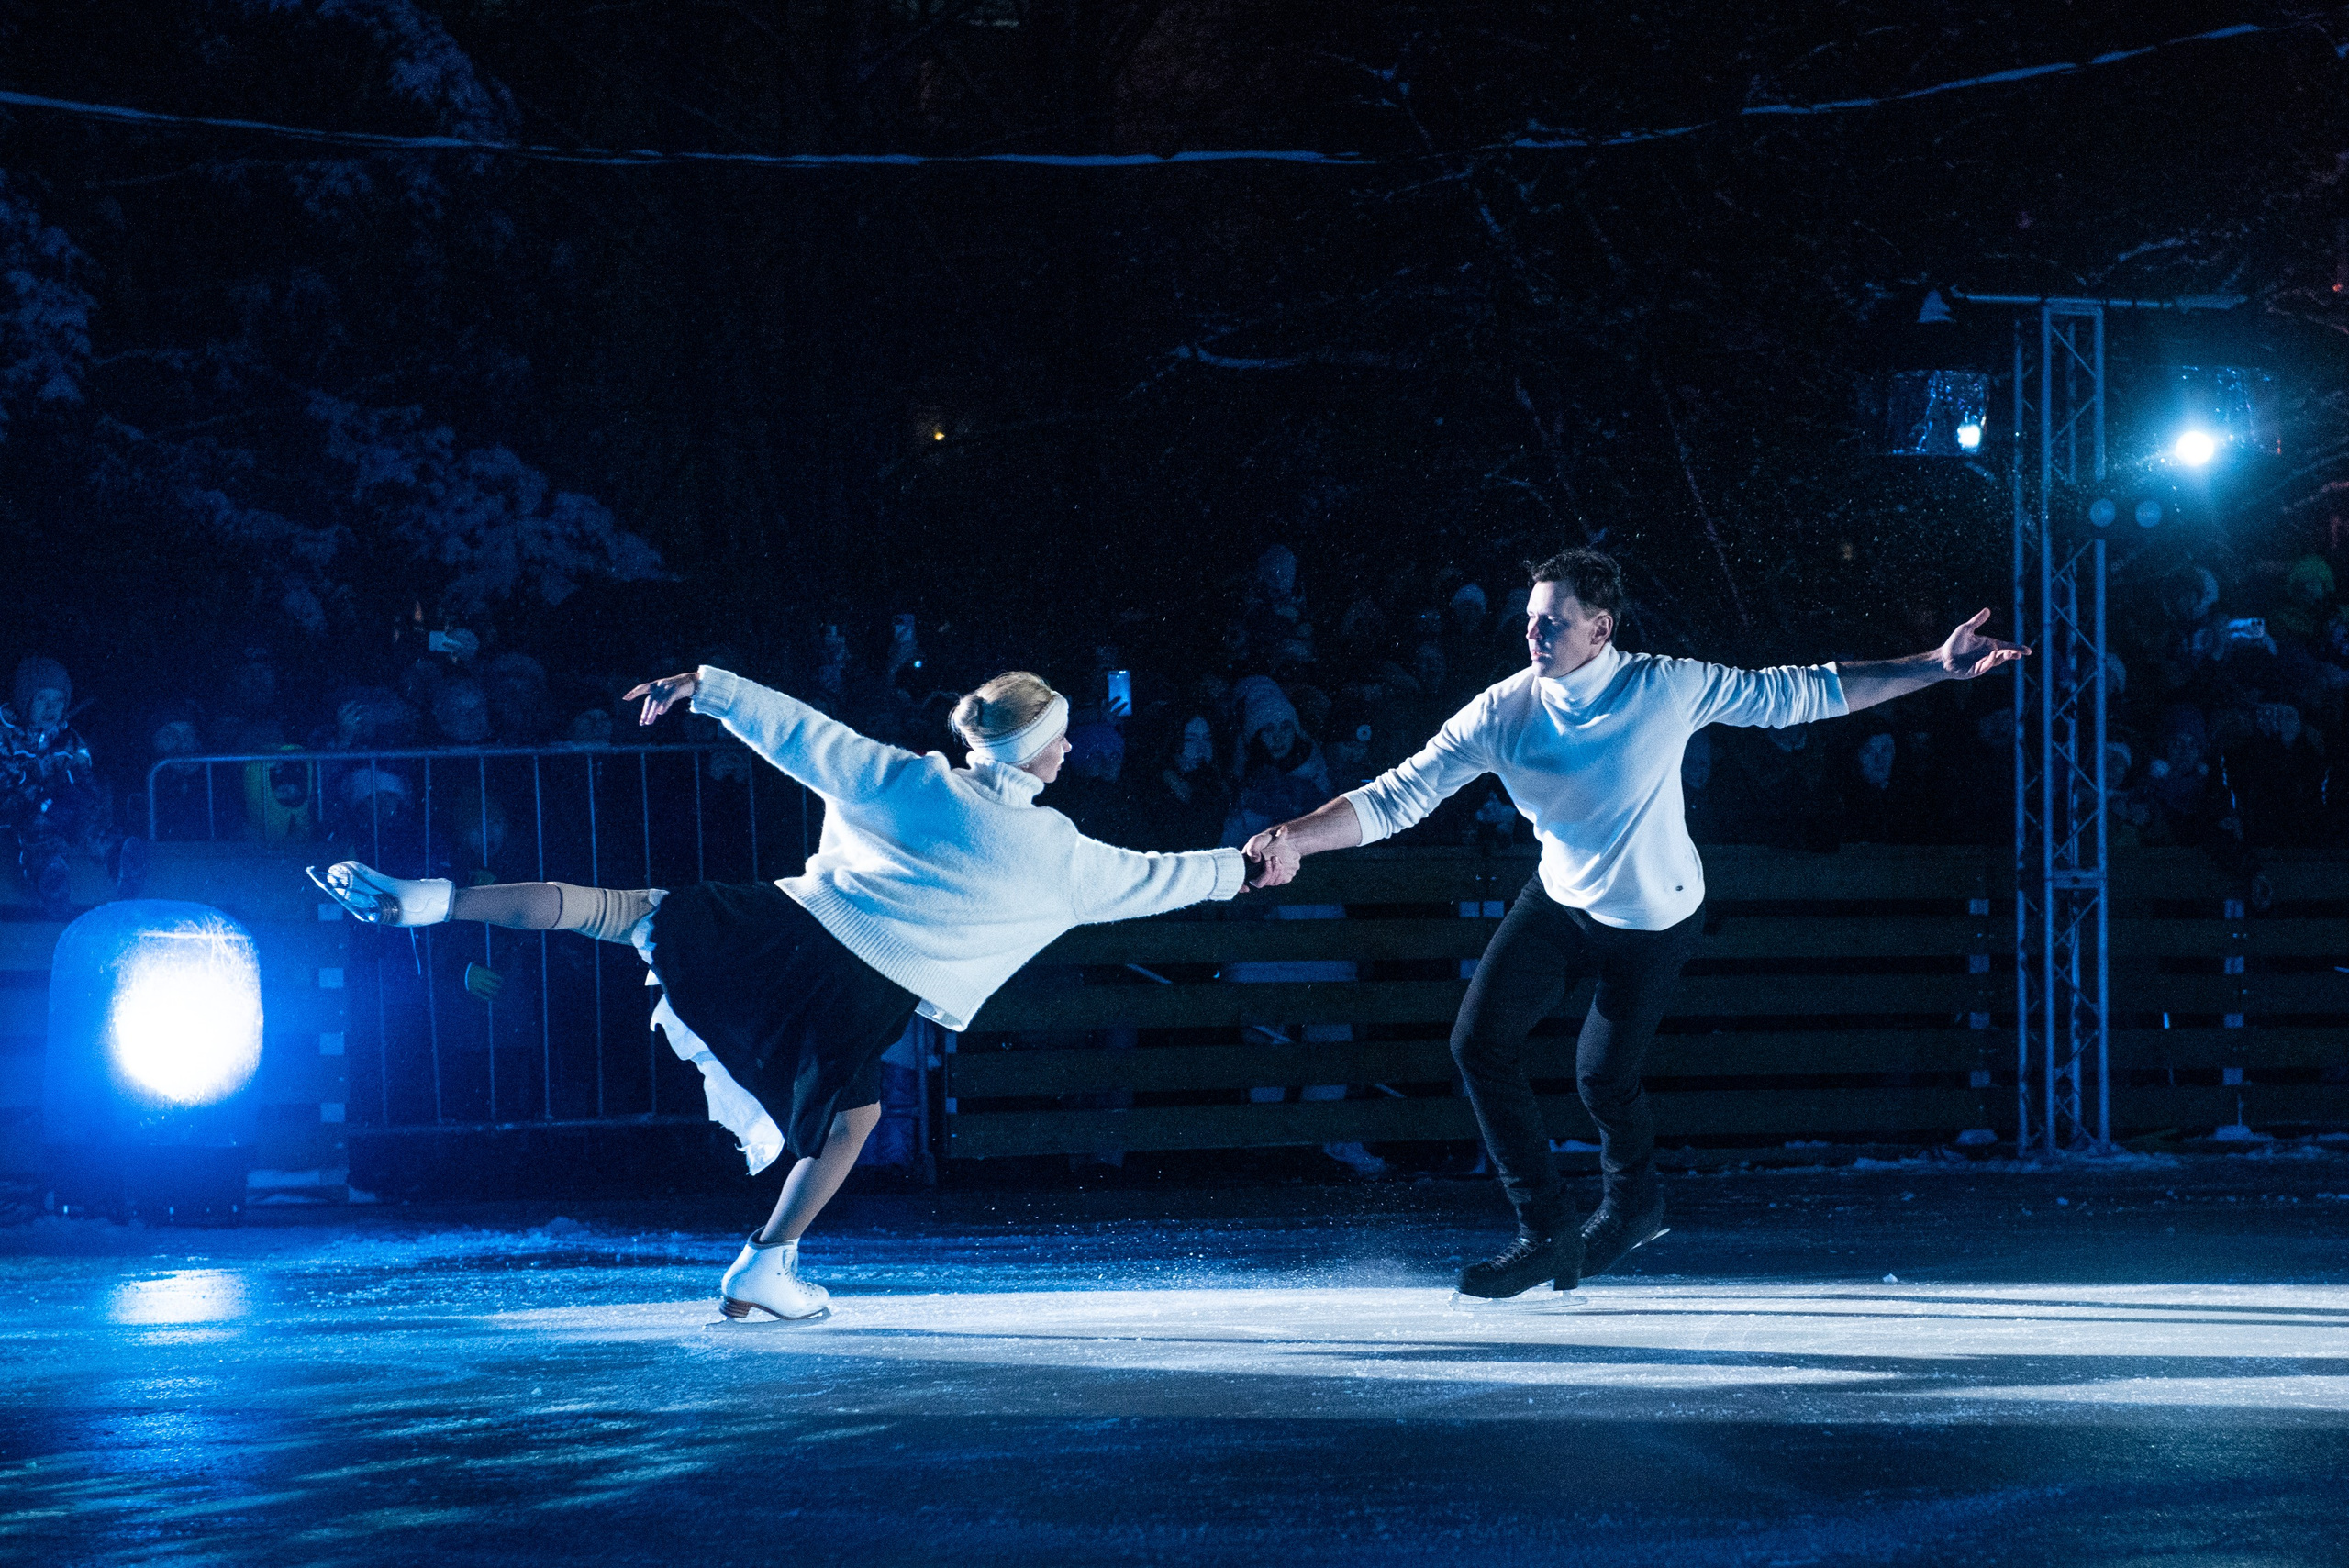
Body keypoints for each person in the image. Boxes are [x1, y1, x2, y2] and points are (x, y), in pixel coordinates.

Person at [312, 664, 1262, 1321]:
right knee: (849, 1117)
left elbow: (803, 734)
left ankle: (433, 899)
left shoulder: (910, 779)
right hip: (856, 989)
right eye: (1062, 741)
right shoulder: (1054, 852)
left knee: (614, 911)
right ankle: (767, 1257)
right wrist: (1243, 869)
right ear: (1035, 749)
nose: (1071, 754)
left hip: (780, 932)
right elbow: (1156, 877)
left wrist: (709, 689)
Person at [1244, 549, 2027, 1301]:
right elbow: (1395, 795)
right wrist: (1298, 836)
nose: (1532, 633)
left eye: (1552, 621)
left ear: (1601, 629)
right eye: (1529, 619)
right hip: (1559, 898)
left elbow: (1801, 693)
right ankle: (1546, 1227)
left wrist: (1933, 663)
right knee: (1478, 1043)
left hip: (1654, 917)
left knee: (1601, 1076)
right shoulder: (1502, 711)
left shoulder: (1664, 688)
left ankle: (1634, 1206)